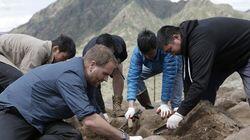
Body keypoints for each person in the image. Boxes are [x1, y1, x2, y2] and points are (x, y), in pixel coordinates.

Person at [0, 45, 142, 140]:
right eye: (105, 74)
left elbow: (93, 113)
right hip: (15, 113)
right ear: (92, 65)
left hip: (41, 121)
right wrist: (125, 138)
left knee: (71, 136)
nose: (106, 79)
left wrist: (110, 129)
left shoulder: (89, 82)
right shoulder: (70, 76)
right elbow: (90, 120)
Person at [156, 17, 250, 129]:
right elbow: (188, 77)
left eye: (170, 50)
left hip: (246, 50)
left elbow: (199, 83)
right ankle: (207, 124)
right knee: (206, 92)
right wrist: (185, 109)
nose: (172, 54)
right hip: (227, 56)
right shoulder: (185, 42)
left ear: (176, 37)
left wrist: (180, 113)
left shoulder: (200, 42)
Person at [125, 29, 183, 119]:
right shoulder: (138, 53)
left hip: (174, 66)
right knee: (137, 78)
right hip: (152, 66)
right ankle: (148, 107)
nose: (148, 56)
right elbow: (133, 77)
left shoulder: (166, 50)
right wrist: (130, 106)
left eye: (151, 53)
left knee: (176, 102)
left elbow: (168, 76)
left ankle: (176, 115)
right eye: (145, 55)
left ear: (156, 46)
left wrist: (164, 103)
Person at [0, 33, 76, 92]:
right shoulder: (40, 49)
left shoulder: (47, 54)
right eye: (64, 58)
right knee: (16, 79)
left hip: (4, 57)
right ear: (56, 49)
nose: (63, 61)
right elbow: (26, 75)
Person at [82, 33, 127, 117]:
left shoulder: (119, 43)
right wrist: (102, 112)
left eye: (109, 52)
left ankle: (117, 106)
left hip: (114, 61)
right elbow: (93, 85)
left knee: (118, 71)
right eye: (105, 53)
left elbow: (123, 56)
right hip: (97, 63)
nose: (107, 55)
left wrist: (115, 65)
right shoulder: (89, 52)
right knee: (95, 82)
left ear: (113, 47)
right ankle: (100, 110)